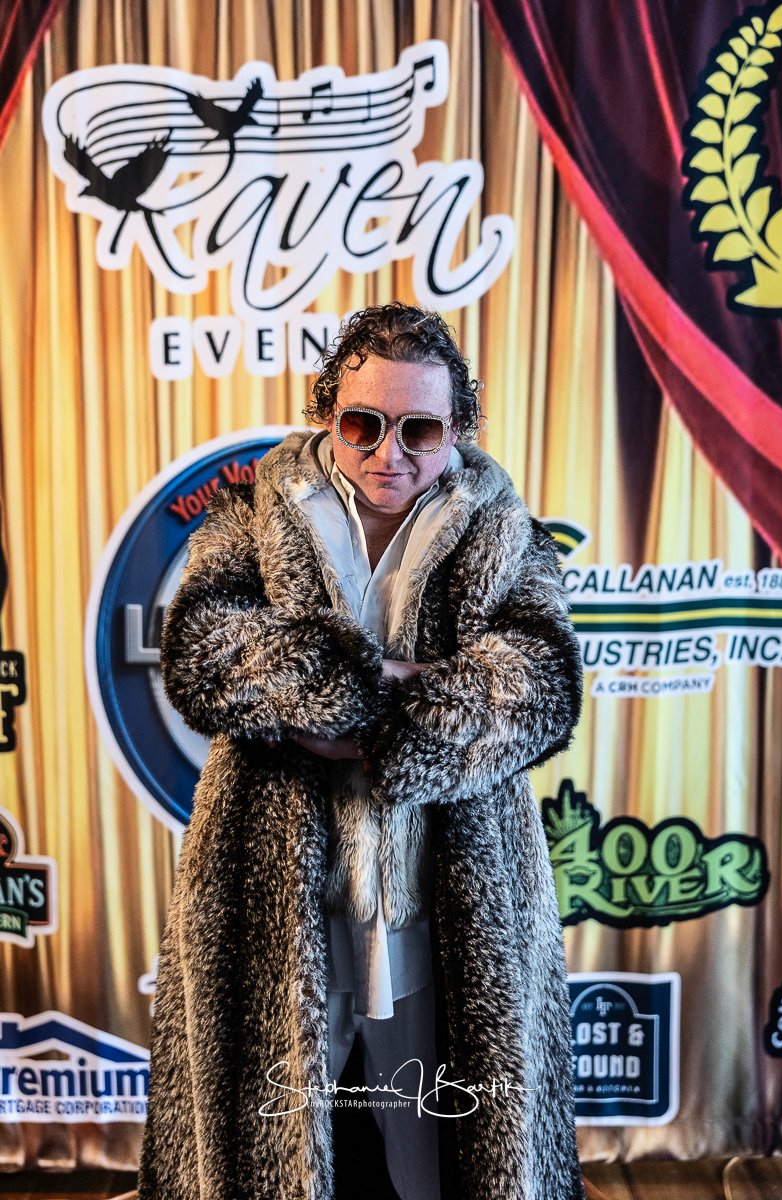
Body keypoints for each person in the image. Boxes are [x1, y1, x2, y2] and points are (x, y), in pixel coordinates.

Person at [137, 302, 585, 1200]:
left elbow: (540, 680)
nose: (391, 453)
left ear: (457, 427)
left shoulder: (504, 530)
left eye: (420, 429)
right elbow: (202, 649)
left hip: (447, 905)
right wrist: (379, 681)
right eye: (363, 424)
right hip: (276, 905)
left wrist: (385, 716)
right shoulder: (249, 515)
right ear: (327, 414)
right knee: (271, 1159)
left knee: (444, 1159)